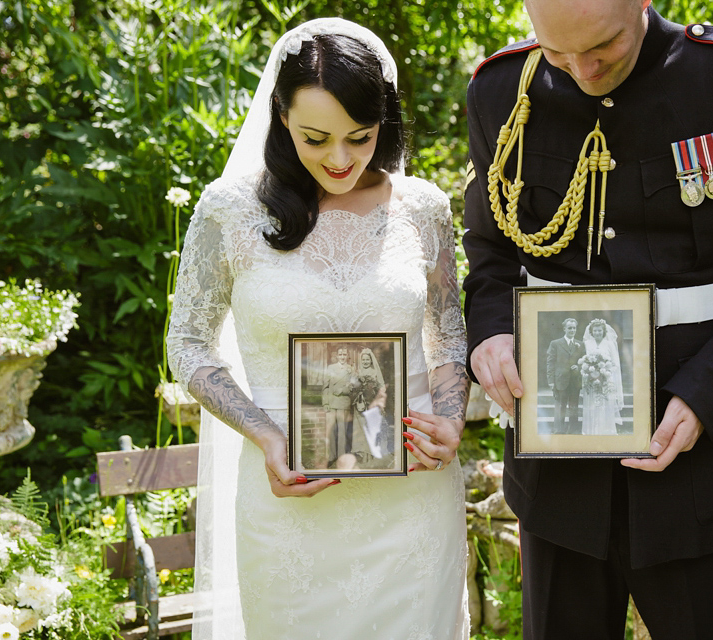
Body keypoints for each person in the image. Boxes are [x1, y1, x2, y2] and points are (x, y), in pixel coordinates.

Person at [461, 0, 713, 637]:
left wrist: (712, 391)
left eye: (601, 47)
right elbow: (490, 249)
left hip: (696, 455)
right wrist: (493, 329)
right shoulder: (503, 91)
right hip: (556, 466)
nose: (581, 70)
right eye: (557, 52)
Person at [167, 18, 470, 639]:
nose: (340, 159)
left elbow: (450, 336)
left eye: (360, 137)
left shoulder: (423, 208)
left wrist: (451, 414)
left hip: (412, 503)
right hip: (287, 506)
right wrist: (266, 437)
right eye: (316, 137)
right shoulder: (228, 210)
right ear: (280, 116)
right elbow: (187, 344)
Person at [579, 318, 623, 436]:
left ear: (603, 331)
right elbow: (585, 361)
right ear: (591, 332)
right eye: (595, 330)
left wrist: (605, 372)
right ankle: (590, 431)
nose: (597, 333)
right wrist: (589, 372)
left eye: (599, 330)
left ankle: (605, 430)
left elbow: (615, 363)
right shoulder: (587, 343)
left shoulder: (609, 344)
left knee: (604, 405)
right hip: (591, 381)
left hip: (606, 380)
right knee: (591, 404)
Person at [545, 317, 584, 433]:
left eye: (574, 328)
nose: (572, 330)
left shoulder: (580, 344)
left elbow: (584, 360)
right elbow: (550, 362)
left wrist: (579, 366)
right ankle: (559, 430)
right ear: (564, 329)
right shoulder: (555, 344)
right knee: (560, 407)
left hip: (574, 381)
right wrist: (551, 381)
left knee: (573, 407)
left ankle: (573, 430)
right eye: (569, 328)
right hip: (560, 380)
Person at [322, 346, 355, 464]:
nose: (342, 357)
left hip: (343, 403)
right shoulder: (330, 368)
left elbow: (352, 387)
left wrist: (342, 390)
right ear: (336, 356)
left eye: (344, 354)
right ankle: (331, 456)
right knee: (330, 430)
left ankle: (341, 457)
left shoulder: (351, 369)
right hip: (331, 403)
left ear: (348, 356)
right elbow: (325, 386)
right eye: (340, 354)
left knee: (342, 431)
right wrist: (325, 402)